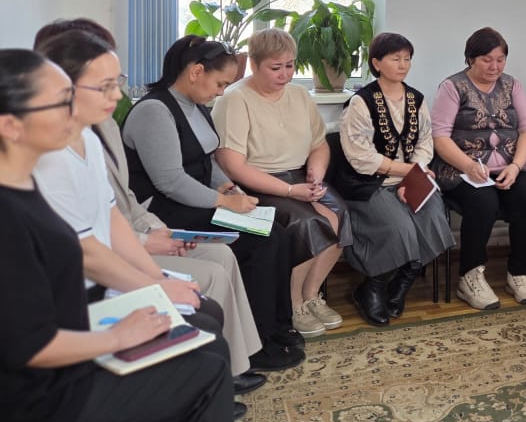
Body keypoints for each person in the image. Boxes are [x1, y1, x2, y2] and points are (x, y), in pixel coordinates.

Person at [0, 48, 256, 422]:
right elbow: (30, 345)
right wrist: (122, 335)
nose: (72, 109)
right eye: (59, 102)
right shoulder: (11, 214)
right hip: (37, 405)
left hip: (68, 351)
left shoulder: (23, 185)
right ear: (11, 125)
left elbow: (107, 227)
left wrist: (155, 291)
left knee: (200, 334)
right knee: (204, 365)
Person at [30, 31, 226, 350]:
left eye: (116, 81)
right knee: (204, 325)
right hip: (78, 294)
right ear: (62, 86)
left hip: (109, 272)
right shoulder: (49, 157)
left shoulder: (90, 139)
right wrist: (156, 286)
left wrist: (159, 281)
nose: (118, 96)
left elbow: (114, 216)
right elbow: (87, 250)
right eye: (105, 86)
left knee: (208, 314)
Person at [122, 34, 304, 373]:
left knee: (278, 232)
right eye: (219, 83)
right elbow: (171, 181)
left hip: (196, 200)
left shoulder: (194, 106)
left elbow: (206, 160)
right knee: (260, 243)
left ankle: (278, 327)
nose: (221, 92)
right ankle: (259, 342)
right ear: (196, 72)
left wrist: (227, 186)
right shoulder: (154, 111)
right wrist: (224, 203)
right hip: (163, 210)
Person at [213, 29, 352, 338]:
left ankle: (310, 294)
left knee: (339, 215)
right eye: (275, 68)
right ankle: (291, 304)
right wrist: (291, 191)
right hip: (257, 184)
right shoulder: (234, 99)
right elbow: (232, 165)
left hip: (300, 178)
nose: (285, 74)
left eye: (290, 66)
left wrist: (316, 171)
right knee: (308, 223)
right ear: (253, 64)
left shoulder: (300, 95)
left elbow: (319, 144)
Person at [335, 32, 455, 326]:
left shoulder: (416, 99)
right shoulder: (361, 103)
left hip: (410, 176)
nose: (403, 65)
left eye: (407, 59)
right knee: (398, 226)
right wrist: (407, 172)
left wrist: (416, 170)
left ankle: (401, 284)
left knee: (434, 218)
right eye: (395, 58)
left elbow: (426, 141)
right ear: (376, 63)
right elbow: (360, 156)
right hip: (369, 182)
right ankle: (372, 287)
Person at [430, 27, 526, 310]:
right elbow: (439, 136)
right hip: (461, 169)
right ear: (470, 59)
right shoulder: (452, 87)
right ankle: (470, 276)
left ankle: (519, 272)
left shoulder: (512, 85)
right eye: (487, 59)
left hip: (509, 167)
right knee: (484, 200)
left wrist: (516, 166)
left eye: (500, 59)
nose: (494, 66)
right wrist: (468, 164)